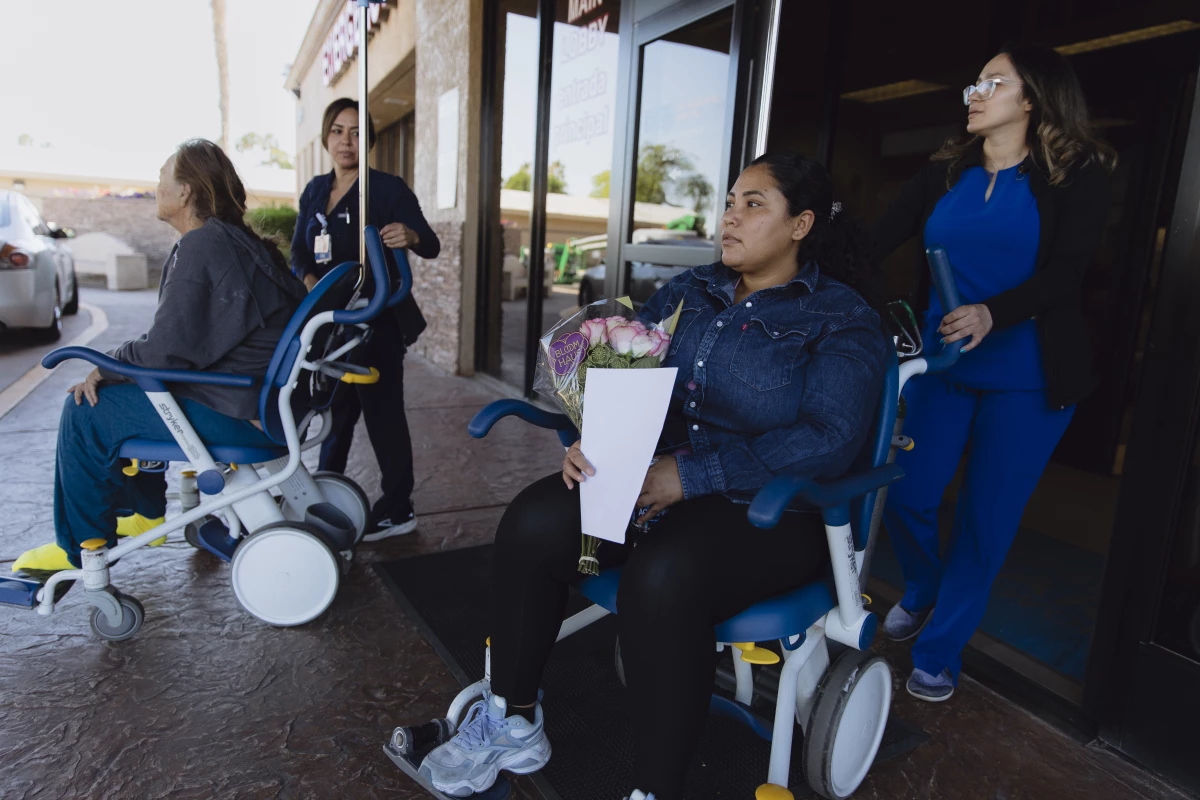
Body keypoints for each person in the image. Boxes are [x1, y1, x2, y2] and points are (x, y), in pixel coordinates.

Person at [413, 152, 889, 800]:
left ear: (801, 223)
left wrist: (690, 475)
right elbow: (624, 369)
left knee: (663, 577)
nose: (731, 217)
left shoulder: (838, 317)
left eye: (754, 204)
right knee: (535, 520)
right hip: (653, 487)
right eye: (729, 202)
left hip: (768, 508)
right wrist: (596, 434)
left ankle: (655, 790)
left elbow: (829, 441)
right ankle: (514, 720)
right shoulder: (690, 292)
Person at [872, 43, 1116, 702]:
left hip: (1030, 377)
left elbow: (1067, 274)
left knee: (985, 521)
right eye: (972, 85)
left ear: (1032, 96)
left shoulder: (1076, 174)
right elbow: (873, 243)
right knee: (911, 494)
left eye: (991, 83)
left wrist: (990, 312)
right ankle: (922, 587)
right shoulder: (945, 172)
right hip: (942, 365)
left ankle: (940, 648)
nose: (974, 95)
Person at [13, 139, 308, 576]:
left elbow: (164, 352)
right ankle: (144, 511)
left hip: (243, 412)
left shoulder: (204, 245)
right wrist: (121, 367)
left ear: (185, 191)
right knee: (137, 389)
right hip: (259, 403)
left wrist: (104, 367)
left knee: (85, 412)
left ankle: (80, 546)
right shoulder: (237, 243)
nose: (156, 188)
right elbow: (176, 347)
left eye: (161, 179)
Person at [292, 98, 440, 541]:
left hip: (377, 321)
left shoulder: (387, 189)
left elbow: (429, 243)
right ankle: (323, 504)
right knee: (335, 416)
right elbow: (300, 250)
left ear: (369, 140)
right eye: (337, 131)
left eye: (356, 132)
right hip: (330, 324)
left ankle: (399, 508)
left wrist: (409, 235)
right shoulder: (315, 190)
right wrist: (309, 279)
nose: (346, 141)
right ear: (325, 137)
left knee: (383, 417)